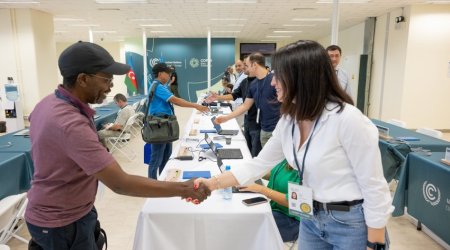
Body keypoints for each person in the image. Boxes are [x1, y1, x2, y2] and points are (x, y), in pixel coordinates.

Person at [196, 40, 393, 250]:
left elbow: (374, 186)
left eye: (279, 76)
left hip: (349, 222)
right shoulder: (290, 120)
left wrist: (374, 242)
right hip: (309, 216)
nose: (273, 83)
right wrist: (210, 184)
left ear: (303, 78)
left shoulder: (348, 120)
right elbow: (258, 165)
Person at [25, 41, 210, 250]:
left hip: (67, 212)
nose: (111, 87)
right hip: (63, 223)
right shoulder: (69, 123)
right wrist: (185, 188)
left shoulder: (47, 103)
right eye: (106, 79)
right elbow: (121, 183)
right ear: (83, 79)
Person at [147, 62, 209, 179]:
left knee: (166, 156)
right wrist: (195, 105)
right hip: (159, 126)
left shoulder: (161, 86)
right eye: (168, 73)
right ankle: (152, 183)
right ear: (160, 73)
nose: (170, 76)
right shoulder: (158, 86)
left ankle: (164, 179)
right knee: (156, 158)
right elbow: (176, 101)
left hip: (165, 124)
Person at [215, 52, 280, 147]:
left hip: (277, 131)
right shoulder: (253, 84)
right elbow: (246, 105)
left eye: (247, 65)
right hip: (263, 129)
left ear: (254, 65)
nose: (246, 68)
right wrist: (226, 118)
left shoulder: (275, 81)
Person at [205, 57, 261, 157]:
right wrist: (218, 97)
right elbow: (234, 95)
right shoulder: (245, 82)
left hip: (257, 123)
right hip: (248, 119)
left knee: (255, 152)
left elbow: (245, 105)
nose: (242, 67)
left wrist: (226, 118)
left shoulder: (259, 82)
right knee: (247, 148)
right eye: (240, 65)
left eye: (245, 65)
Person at [239, 159, 300, 242]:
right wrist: (251, 173)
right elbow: (274, 174)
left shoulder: (304, 169)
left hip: (293, 220)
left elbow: (295, 203)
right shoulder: (288, 159)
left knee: (249, 228)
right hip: (276, 209)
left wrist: (262, 190)